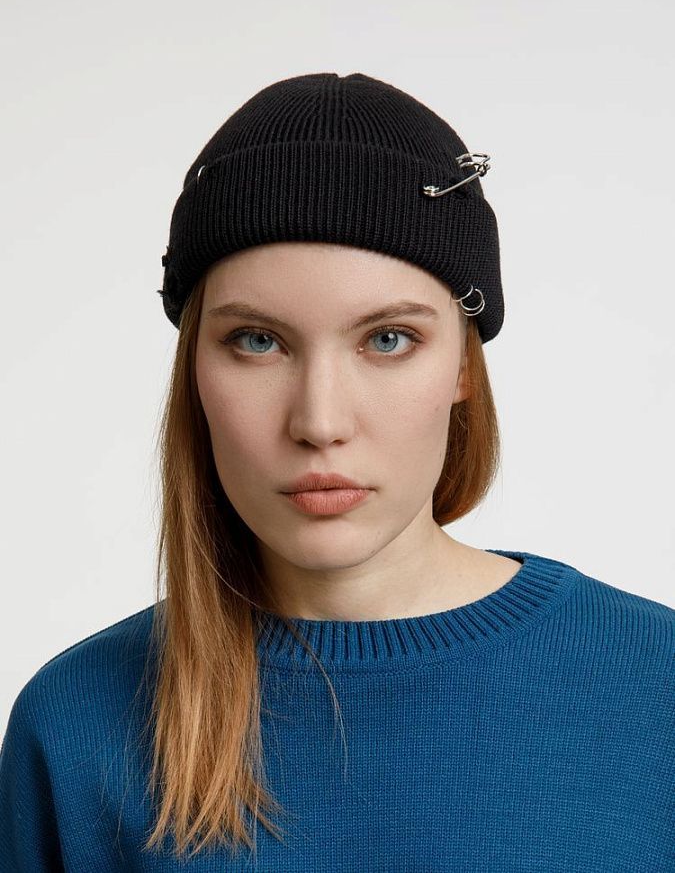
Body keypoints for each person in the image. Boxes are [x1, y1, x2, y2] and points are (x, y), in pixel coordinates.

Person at [0, 72, 672, 872]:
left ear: (463, 365)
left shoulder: (655, 686)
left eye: (387, 339)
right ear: (195, 374)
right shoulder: (77, 723)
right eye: (257, 341)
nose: (319, 422)